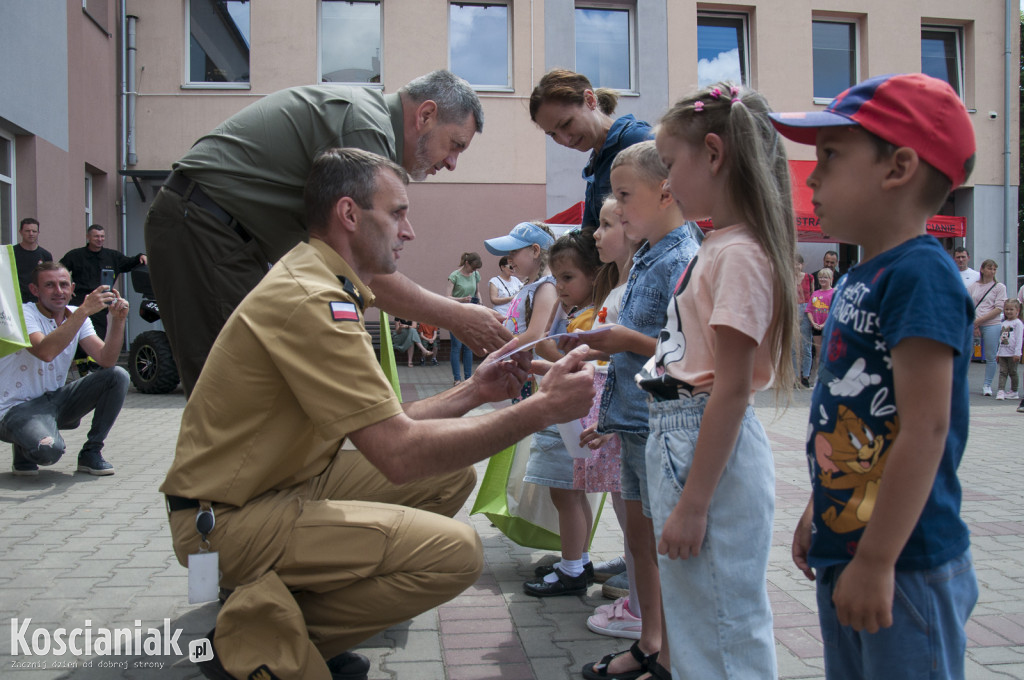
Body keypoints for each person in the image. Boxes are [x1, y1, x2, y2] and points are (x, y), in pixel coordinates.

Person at [160, 148, 595, 680]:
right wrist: (542, 410)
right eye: (397, 213)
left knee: (449, 477)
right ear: (349, 214)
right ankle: (256, 642)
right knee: (454, 554)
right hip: (225, 519)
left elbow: (390, 422)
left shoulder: (323, 286)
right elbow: (399, 455)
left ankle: (285, 621)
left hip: (276, 486)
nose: (408, 231)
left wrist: (474, 393)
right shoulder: (313, 301)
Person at [773, 72, 978, 680]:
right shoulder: (862, 278)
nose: (814, 177)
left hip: (905, 561)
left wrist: (878, 560)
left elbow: (926, 427)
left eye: (831, 157)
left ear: (899, 168)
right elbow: (849, 414)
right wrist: (819, 508)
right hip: (850, 546)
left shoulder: (921, 275)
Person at [143, 70, 509, 396]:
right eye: (455, 144)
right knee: (237, 399)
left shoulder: (368, 123)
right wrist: (456, 317)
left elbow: (353, 269)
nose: (451, 163)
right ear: (426, 115)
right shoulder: (366, 130)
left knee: (262, 398)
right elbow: (366, 269)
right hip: (204, 228)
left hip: (221, 233)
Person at [627, 81, 796, 680]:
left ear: (716, 154)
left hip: (700, 443)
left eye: (671, 164)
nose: (666, 183)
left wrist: (694, 503)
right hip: (683, 435)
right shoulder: (721, 244)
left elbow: (729, 386)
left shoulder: (740, 253)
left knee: (722, 620)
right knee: (701, 615)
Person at [560, 141, 701, 680]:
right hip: (635, 423)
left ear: (665, 191)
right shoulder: (647, 254)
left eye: (623, 195)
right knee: (639, 542)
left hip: (664, 425)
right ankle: (650, 643)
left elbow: (690, 350)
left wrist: (622, 339)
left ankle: (669, 658)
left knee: (663, 546)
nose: (616, 208)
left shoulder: (684, 256)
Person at [517, 230, 602, 598]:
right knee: (572, 493)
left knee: (564, 495)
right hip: (571, 417)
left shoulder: (586, 320)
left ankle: (571, 570)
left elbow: (563, 360)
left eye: (568, 278)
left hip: (567, 419)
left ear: (594, 277)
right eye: (556, 278)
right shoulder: (581, 313)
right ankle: (578, 561)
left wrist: (533, 356)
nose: (560, 287)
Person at [0, 262, 130, 476]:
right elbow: (45, 351)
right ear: (35, 290)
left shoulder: (76, 314)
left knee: (117, 376)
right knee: (49, 452)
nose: (59, 291)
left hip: (54, 400)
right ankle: (25, 448)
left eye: (64, 285)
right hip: (16, 409)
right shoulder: (22, 315)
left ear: (72, 289)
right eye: (49, 285)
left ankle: (91, 452)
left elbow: (106, 360)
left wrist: (118, 321)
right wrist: (84, 310)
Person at [582, 197, 644, 639]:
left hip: (626, 417)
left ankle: (642, 610)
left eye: (606, 225)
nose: (596, 235)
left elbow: (637, 357)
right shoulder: (622, 286)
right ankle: (639, 602)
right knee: (628, 514)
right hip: (615, 415)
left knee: (635, 515)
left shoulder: (637, 286)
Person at [529, 68, 653, 227]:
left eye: (567, 124)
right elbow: (590, 235)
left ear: (590, 100)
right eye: (553, 134)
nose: (565, 140)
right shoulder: (595, 161)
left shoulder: (636, 140)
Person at [60, 224, 146, 343]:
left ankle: (94, 361)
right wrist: (66, 289)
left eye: (102, 236)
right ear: (88, 237)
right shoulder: (75, 255)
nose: (100, 239)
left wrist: (141, 257)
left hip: (101, 303)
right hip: (80, 302)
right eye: (96, 236)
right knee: (76, 336)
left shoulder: (112, 256)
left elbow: (130, 262)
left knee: (97, 336)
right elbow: (59, 271)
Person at [968, 259, 1007, 395]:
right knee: (967, 354)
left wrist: (979, 321)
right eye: (990, 268)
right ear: (983, 269)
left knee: (990, 356)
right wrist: (974, 323)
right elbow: (968, 306)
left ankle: (987, 385)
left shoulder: (999, 287)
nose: (992, 271)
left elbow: (998, 308)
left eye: (994, 269)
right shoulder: (974, 286)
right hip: (974, 324)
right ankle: (963, 382)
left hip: (992, 324)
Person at [446, 252, 482, 384]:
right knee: (456, 346)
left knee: (468, 346)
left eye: (476, 269)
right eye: (473, 267)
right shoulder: (454, 276)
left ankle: (468, 378)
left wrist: (481, 303)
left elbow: (477, 292)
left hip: (470, 313)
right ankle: (457, 378)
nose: (474, 270)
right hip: (456, 314)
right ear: (467, 263)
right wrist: (462, 299)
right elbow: (447, 297)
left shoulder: (476, 275)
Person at [12, 218, 53, 303]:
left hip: (38, 300)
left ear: (38, 233)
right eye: (27, 231)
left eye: (34, 231)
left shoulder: (45, 255)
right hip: (16, 299)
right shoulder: (12, 253)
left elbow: (50, 277)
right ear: (20, 232)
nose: (31, 234)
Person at [807, 267, 835, 383]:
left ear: (830, 279)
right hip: (816, 327)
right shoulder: (815, 293)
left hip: (828, 326)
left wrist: (824, 324)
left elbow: (833, 310)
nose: (823, 279)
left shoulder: (834, 292)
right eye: (821, 277)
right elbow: (809, 310)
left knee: (828, 351)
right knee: (818, 352)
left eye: (825, 277)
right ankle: (819, 377)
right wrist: (813, 322)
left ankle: (829, 376)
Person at [995, 299, 1022, 400]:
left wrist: (1017, 353)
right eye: (1006, 309)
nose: (1009, 311)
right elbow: (1000, 339)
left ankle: (1014, 391)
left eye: (1011, 309)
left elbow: (1019, 339)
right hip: (1003, 352)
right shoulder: (1003, 323)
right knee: (1002, 372)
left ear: (1017, 310)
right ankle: (1001, 390)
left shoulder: (1018, 323)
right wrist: (998, 352)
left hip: (1012, 353)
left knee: (1013, 372)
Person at [794, 253, 814, 387]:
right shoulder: (788, 278)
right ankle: (795, 377)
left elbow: (813, 295)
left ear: (802, 264)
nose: (796, 266)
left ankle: (805, 376)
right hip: (793, 309)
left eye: (798, 264)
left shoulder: (809, 277)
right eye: (793, 264)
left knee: (806, 345)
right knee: (792, 347)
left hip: (806, 309)